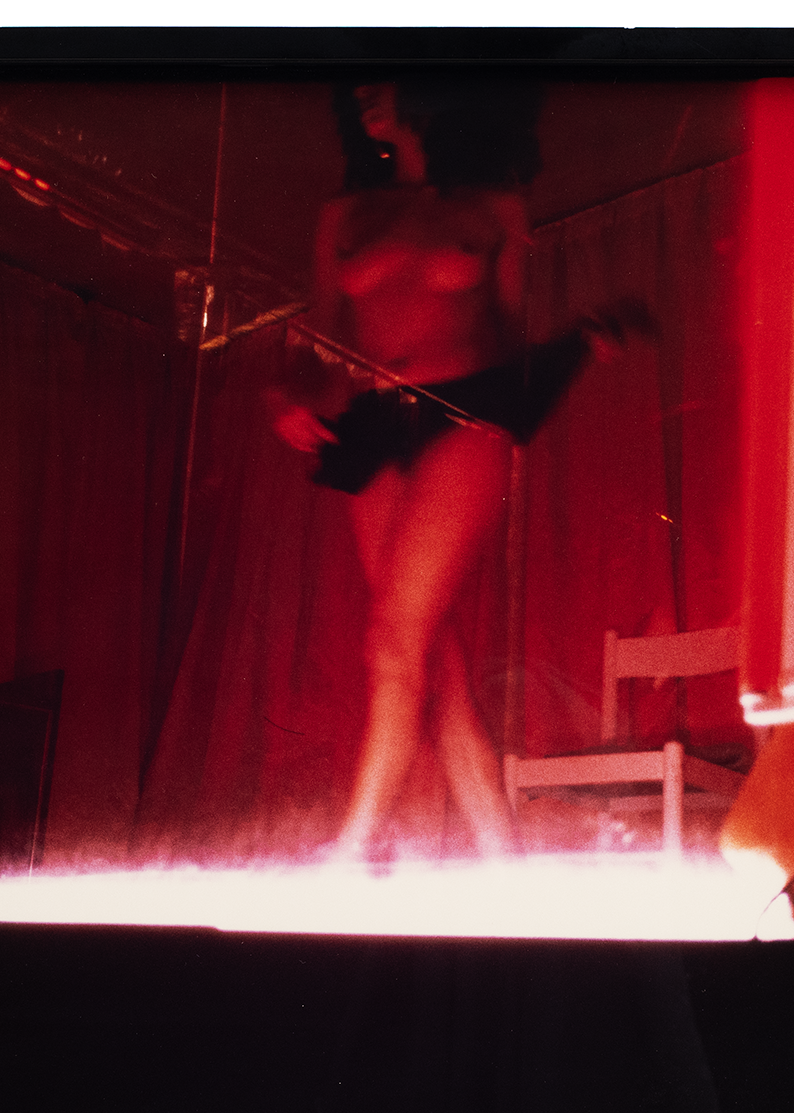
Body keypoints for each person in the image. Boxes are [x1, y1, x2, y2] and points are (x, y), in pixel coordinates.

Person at [268, 81, 642, 862]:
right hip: (371, 425)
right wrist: (288, 398)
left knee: (392, 641)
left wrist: (577, 349)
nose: (369, 93)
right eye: (359, 86)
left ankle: (352, 853)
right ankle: (501, 854)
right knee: (432, 661)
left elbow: (507, 344)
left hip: (466, 418)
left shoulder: (496, 207)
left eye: (386, 75)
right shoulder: (345, 215)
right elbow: (320, 340)